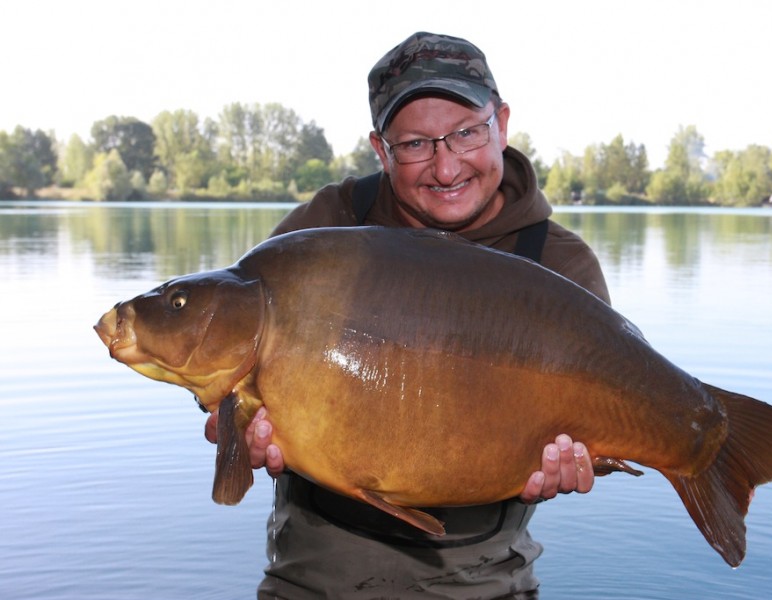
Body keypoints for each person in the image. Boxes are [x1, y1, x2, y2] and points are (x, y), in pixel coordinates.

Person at [205, 31, 612, 599]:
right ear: (380, 149)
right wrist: (238, 431)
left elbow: (590, 427)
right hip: (316, 572)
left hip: (484, 578)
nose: (446, 169)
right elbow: (229, 376)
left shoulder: (558, 264)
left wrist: (575, 463)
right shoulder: (322, 234)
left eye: (467, 133)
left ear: (503, 123)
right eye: (416, 145)